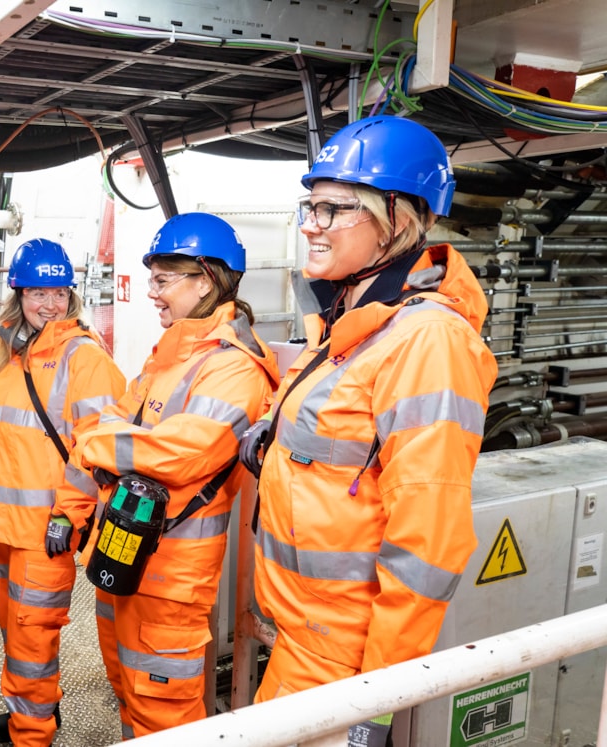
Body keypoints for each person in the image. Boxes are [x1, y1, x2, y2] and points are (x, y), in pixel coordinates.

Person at [241, 116, 498, 746]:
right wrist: (270, 431)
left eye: (334, 209)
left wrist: (378, 699)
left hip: (343, 662)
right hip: (299, 635)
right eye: (310, 206)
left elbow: (428, 544)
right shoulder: (352, 319)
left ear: (398, 220)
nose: (311, 224)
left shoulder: (427, 340)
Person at [54, 213, 278, 738]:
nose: (152, 293)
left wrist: (97, 442)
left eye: (162, 280)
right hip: (123, 553)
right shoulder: (171, 354)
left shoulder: (234, 367)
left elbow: (180, 453)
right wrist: (113, 439)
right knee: (127, 692)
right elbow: (119, 419)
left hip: (171, 581)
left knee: (165, 716)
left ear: (206, 279)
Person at [0, 238, 126, 747]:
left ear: (71, 295)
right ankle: (30, 709)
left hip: (44, 531)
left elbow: (97, 450)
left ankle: (32, 734)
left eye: (58, 293)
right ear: (19, 295)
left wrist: (68, 515)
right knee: (12, 629)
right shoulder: (2, 350)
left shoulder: (85, 358)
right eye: (37, 293)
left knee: (32, 635)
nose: (49, 304)